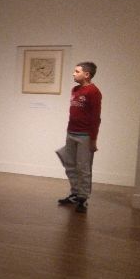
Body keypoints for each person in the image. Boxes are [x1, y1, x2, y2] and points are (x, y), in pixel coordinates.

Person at [56, 62, 102, 213]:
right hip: (71, 133)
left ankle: (83, 198)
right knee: (69, 164)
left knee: (83, 168)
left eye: (77, 71)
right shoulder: (75, 89)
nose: (73, 74)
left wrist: (93, 140)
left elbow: (95, 118)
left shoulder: (93, 92)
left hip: (85, 136)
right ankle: (75, 193)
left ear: (86, 74)